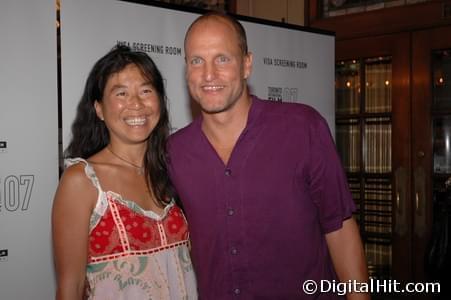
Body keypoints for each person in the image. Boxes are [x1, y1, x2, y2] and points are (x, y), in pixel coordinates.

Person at [168, 12, 369, 299]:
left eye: (222, 59)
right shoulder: (175, 152)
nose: (208, 74)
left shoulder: (302, 128)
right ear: (186, 69)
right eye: (196, 61)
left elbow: (339, 227)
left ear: (247, 64)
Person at [52, 45, 197, 299]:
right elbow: (70, 288)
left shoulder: (175, 169)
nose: (137, 104)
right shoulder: (82, 181)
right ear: (98, 108)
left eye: (146, 91)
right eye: (121, 93)